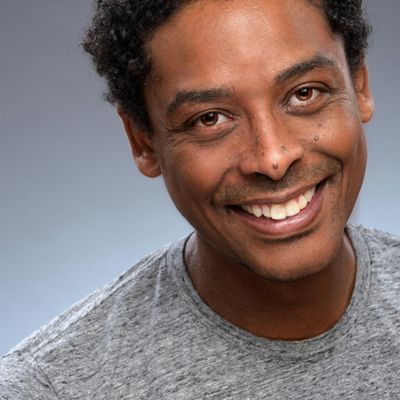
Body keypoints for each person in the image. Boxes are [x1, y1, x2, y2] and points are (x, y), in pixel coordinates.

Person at [1, 0, 399, 398]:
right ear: (143, 142)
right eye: (210, 118)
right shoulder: (49, 389)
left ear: (359, 86)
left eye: (304, 93)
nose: (272, 159)